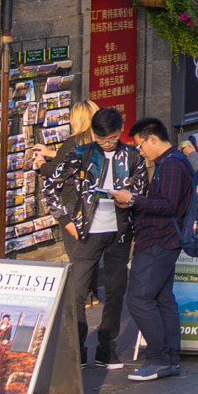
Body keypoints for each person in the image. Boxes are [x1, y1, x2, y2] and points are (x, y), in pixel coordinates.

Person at [39, 104, 141, 369]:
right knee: (77, 292)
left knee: (117, 291)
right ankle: (78, 348)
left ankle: (106, 347)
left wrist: (130, 202)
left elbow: (144, 195)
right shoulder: (80, 154)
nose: (106, 144)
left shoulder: (133, 156)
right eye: (100, 139)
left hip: (119, 231)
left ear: (120, 132)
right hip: (87, 232)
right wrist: (66, 220)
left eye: (111, 139)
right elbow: (50, 189)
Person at [109, 118, 197, 382]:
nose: (140, 152)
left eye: (140, 145)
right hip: (166, 240)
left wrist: (133, 199)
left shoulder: (170, 164)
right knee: (162, 299)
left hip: (159, 241)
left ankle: (158, 358)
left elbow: (168, 205)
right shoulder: (172, 162)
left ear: (152, 139)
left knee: (138, 299)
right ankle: (170, 359)